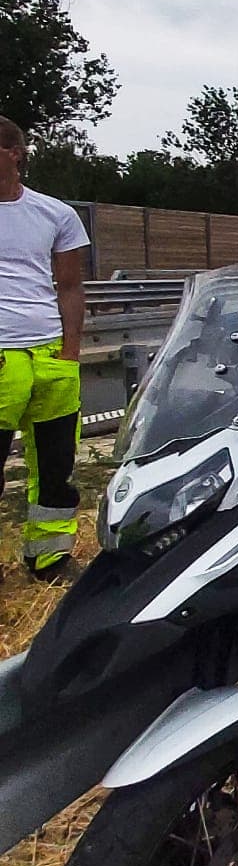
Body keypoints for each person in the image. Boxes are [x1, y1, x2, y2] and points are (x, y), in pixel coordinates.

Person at [0, 117, 90, 581]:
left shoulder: (55, 214)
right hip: (2, 356)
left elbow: (70, 286)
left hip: (49, 353)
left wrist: (71, 352)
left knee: (56, 467)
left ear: (14, 153)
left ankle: (49, 556)